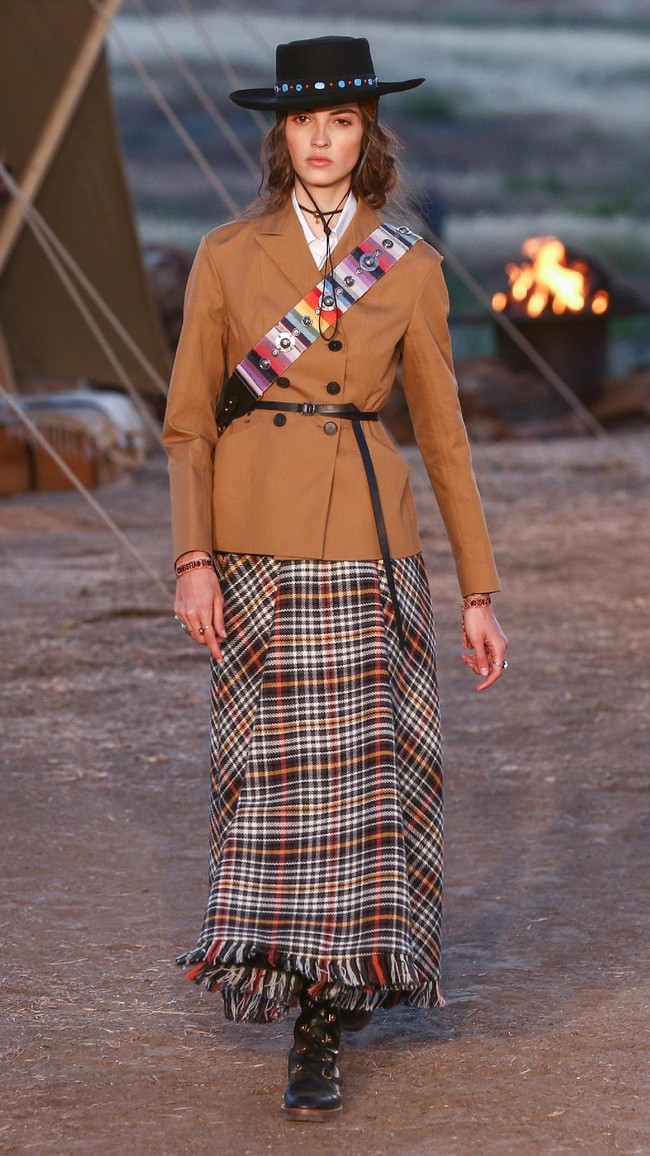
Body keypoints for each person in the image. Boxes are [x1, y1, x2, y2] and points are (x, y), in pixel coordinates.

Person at [163, 35, 508, 1122]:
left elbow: (443, 438)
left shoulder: (408, 266)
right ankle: (298, 985)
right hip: (254, 544)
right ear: (282, 134)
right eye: (305, 121)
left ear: (368, 135)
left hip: (367, 540)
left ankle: (326, 1006)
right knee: (271, 789)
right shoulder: (225, 255)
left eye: (342, 120)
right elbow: (187, 425)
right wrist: (191, 559)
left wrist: (478, 590)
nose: (321, 139)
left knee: (361, 793)